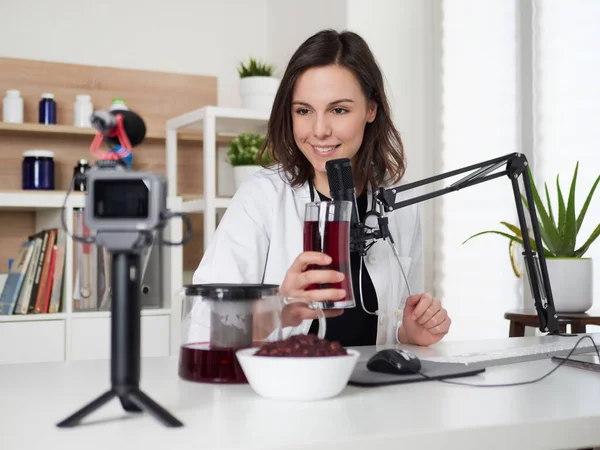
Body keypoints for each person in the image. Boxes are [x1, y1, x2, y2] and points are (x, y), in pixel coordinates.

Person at [193, 29, 451, 347]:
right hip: (286, 389)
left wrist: (409, 332)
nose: (319, 130)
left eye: (338, 110)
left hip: (376, 392)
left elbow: (391, 323)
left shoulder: (400, 205)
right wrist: (279, 308)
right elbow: (204, 327)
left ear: (371, 109)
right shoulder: (261, 197)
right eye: (304, 111)